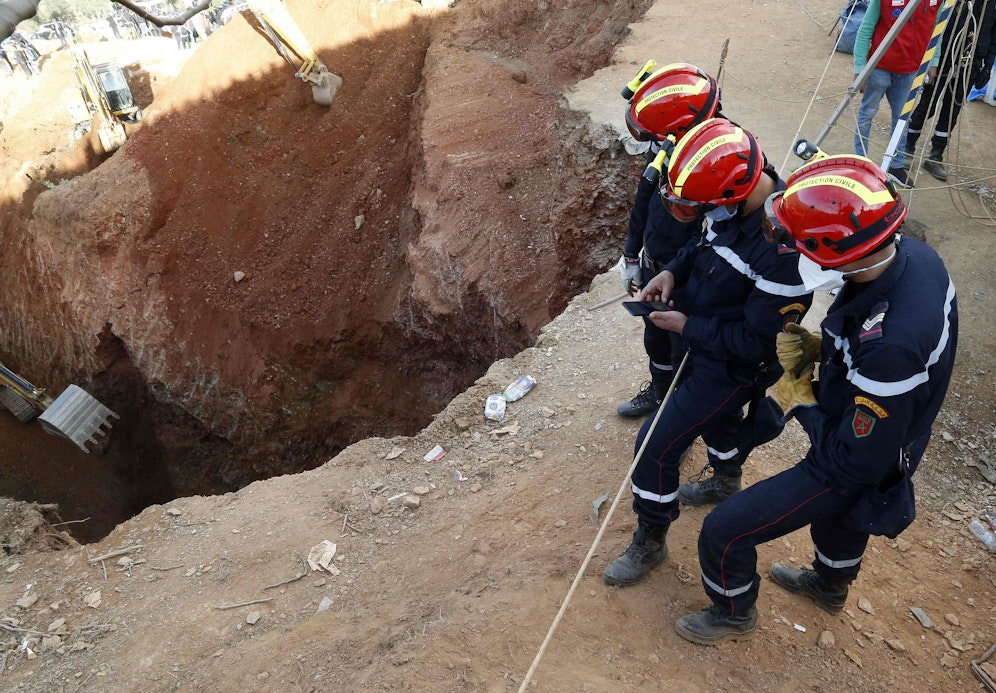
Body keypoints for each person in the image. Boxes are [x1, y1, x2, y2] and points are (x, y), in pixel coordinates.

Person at [674, 154, 958, 645]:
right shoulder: (913, 257)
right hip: (895, 425)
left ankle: (733, 611)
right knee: (844, 520)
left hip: (864, 449)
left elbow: (853, 461)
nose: (791, 251)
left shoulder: (891, 344)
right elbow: (868, 340)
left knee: (725, 530)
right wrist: (826, 350)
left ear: (843, 251)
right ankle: (830, 586)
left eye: (800, 243)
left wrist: (802, 396)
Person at [602, 118, 813, 587]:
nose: (697, 215)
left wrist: (687, 326)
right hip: (705, 342)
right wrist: (672, 274)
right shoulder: (733, 205)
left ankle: (651, 539)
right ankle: (726, 477)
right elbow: (702, 245)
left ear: (731, 195)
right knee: (720, 422)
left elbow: (757, 344)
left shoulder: (783, 255)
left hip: (734, 366)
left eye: (698, 207)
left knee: (654, 447)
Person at [616, 63, 720, 418]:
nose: (655, 145)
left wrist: (675, 272)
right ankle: (659, 392)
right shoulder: (669, 141)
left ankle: (677, 413)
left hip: (690, 278)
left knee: (684, 351)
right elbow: (645, 194)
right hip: (656, 267)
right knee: (656, 339)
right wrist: (632, 254)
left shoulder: (719, 158)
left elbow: (714, 238)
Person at [853, 0, 942, 188]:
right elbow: (866, 28)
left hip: (909, 71)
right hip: (879, 68)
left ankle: (896, 166)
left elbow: (937, 29)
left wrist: (933, 61)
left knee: (902, 119)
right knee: (867, 114)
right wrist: (860, 68)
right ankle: (860, 163)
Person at [907, 0, 996, 180]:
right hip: (944, 55)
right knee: (928, 105)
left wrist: (987, 66)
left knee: (951, 111)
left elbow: (994, 35)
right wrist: (932, 59)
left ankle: (936, 155)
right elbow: (935, 20)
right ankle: (907, 146)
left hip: (971, 61)